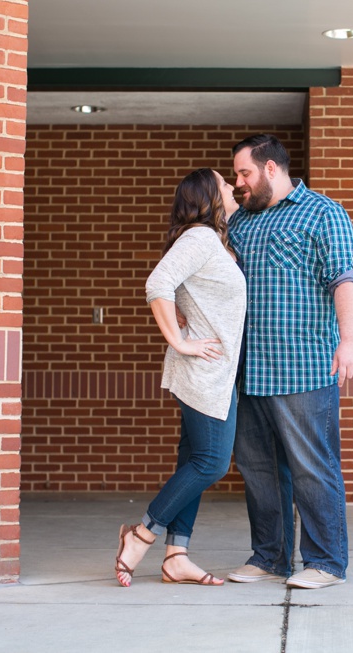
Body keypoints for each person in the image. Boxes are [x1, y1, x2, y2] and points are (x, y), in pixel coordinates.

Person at [225, 134, 353, 590]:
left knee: (312, 467)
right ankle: (270, 558)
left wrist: (350, 341)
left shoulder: (323, 213)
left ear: (269, 169)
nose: (238, 182)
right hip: (249, 370)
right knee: (260, 472)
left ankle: (326, 563)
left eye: (244, 173)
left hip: (303, 367)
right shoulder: (241, 222)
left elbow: (344, 278)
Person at [114, 168, 246, 587]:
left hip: (218, 372)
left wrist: (187, 320)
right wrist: (180, 340)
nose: (233, 187)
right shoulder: (199, 238)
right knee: (211, 463)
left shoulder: (217, 243)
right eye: (225, 184)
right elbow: (159, 283)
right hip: (201, 370)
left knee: (194, 460)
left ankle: (177, 557)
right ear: (209, 195)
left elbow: (192, 294)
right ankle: (141, 534)